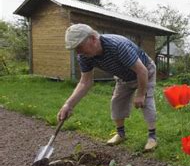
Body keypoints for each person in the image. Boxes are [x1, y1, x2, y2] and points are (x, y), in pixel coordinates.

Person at [57, 23, 157, 151]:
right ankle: (120, 134)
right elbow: (85, 82)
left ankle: (152, 137)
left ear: (93, 38)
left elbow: (142, 71)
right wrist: (68, 105)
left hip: (145, 71)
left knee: (146, 101)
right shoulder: (84, 56)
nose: (78, 52)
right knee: (117, 101)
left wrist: (141, 94)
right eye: (75, 49)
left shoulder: (117, 46)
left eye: (79, 46)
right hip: (123, 76)